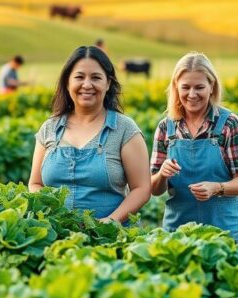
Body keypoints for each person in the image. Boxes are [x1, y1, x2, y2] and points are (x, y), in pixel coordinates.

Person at [28, 46, 151, 222]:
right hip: (56, 235)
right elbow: (35, 183)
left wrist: (110, 221)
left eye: (96, 77)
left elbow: (142, 188)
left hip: (111, 238)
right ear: (67, 82)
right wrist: (53, 215)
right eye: (79, 77)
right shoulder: (49, 128)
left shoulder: (124, 129)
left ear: (108, 83)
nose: (87, 84)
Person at [150, 52, 238, 240]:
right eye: (185, 87)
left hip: (224, 231)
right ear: (176, 88)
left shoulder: (229, 124)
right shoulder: (166, 128)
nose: (192, 94)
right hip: (178, 233)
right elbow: (155, 189)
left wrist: (217, 188)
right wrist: (162, 174)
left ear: (211, 87)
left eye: (199, 87)